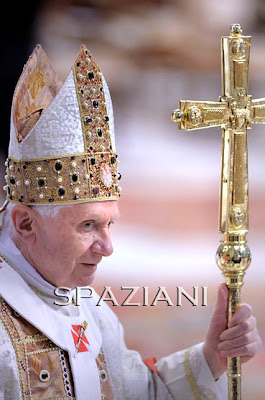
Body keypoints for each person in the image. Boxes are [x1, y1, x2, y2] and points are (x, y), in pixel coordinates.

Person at [0, 44, 261, 400]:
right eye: (88, 226)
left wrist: (211, 357)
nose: (107, 248)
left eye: (111, 224)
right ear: (25, 224)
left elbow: (139, 392)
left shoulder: (91, 310)